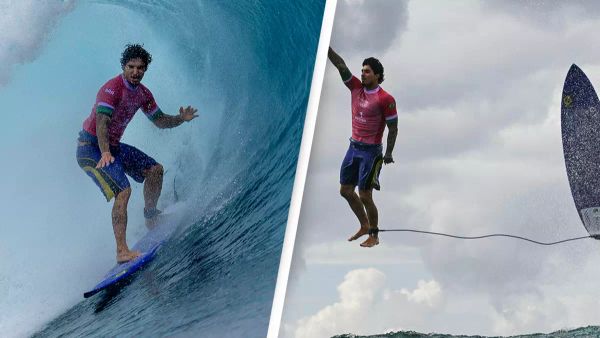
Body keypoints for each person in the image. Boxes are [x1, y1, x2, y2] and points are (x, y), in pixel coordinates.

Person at [76, 44, 198, 263]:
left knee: (155, 170)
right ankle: (122, 251)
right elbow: (102, 123)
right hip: (90, 148)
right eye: (131, 67)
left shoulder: (143, 94)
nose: (135, 72)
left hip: (112, 148)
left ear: (145, 69)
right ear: (123, 66)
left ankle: (151, 217)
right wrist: (104, 152)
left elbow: (160, 121)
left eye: (140, 68)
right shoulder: (111, 89)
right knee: (123, 191)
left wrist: (181, 119)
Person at [328, 47, 398, 248]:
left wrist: (389, 153)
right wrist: (328, 49)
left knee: (365, 195)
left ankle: (374, 236)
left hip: (371, 152)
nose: (363, 74)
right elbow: (341, 65)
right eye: (362, 70)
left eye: (367, 71)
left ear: (377, 75)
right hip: (353, 147)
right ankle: (364, 225)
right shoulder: (356, 88)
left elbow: (393, 128)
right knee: (345, 191)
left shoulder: (386, 99)